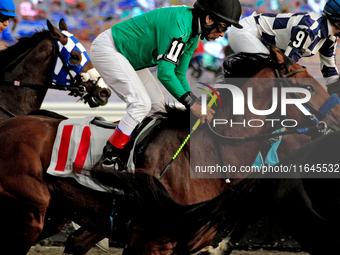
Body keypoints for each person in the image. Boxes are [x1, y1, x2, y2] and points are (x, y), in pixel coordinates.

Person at [90, 0, 243, 170]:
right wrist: (192, 105)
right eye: (223, 27)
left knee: (158, 108)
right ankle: (109, 157)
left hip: (127, 58)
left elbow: (178, 75)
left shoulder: (193, 32)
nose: (223, 34)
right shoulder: (179, 27)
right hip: (109, 49)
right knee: (141, 104)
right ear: (208, 19)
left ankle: (134, 154)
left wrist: (195, 102)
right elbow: (165, 74)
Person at [228, 0, 340, 85]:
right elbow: (288, 63)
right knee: (272, 73)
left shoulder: (329, 38)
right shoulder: (310, 26)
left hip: (260, 41)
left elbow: (329, 70)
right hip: (245, 32)